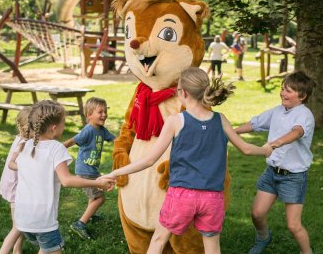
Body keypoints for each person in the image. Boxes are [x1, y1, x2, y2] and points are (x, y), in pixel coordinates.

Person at [104, 67, 273, 254]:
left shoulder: (176, 121)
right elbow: (246, 148)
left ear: (182, 93)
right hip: (212, 198)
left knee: (158, 240)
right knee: (212, 248)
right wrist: (265, 150)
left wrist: (115, 172)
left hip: (182, 196)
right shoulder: (221, 119)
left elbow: (149, 160)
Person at [9, 100, 114, 254]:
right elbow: (67, 180)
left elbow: (15, 165)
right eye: (63, 122)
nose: (64, 126)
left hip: (22, 219)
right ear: (54, 127)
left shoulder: (25, 145)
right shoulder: (56, 148)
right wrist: (98, 182)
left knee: (45, 250)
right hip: (43, 222)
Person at [234, 71, 316, 254]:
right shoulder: (278, 111)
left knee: (293, 225)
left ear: (302, 96)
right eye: (282, 89)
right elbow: (254, 124)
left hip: (293, 177)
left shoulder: (304, 115)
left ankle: (307, 252)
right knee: (256, 214)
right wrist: (231, 132)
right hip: (272, 172)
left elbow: (297, 132)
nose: (283, 93)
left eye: (288, 91)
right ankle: (264, 237)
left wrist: (277, 142)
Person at [63, 97, 116, 240]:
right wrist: (58, 149)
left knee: (95, 196)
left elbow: (115, 140)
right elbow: (73, 140)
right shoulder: (88, 130)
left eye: (105, 111)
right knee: (100, 199)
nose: (104, 114)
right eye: (100, 112)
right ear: (89, 115)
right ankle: (80, 224)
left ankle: (90, 215)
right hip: (85, 171)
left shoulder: (102, 130)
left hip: (92, 170)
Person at [0, 106, 32, 254]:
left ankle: (17, 249)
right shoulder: (24, 143)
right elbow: (16, 165)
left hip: (15, 187)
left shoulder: (20, 138)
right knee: (18, 226)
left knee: (18, 224)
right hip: (17, 189)